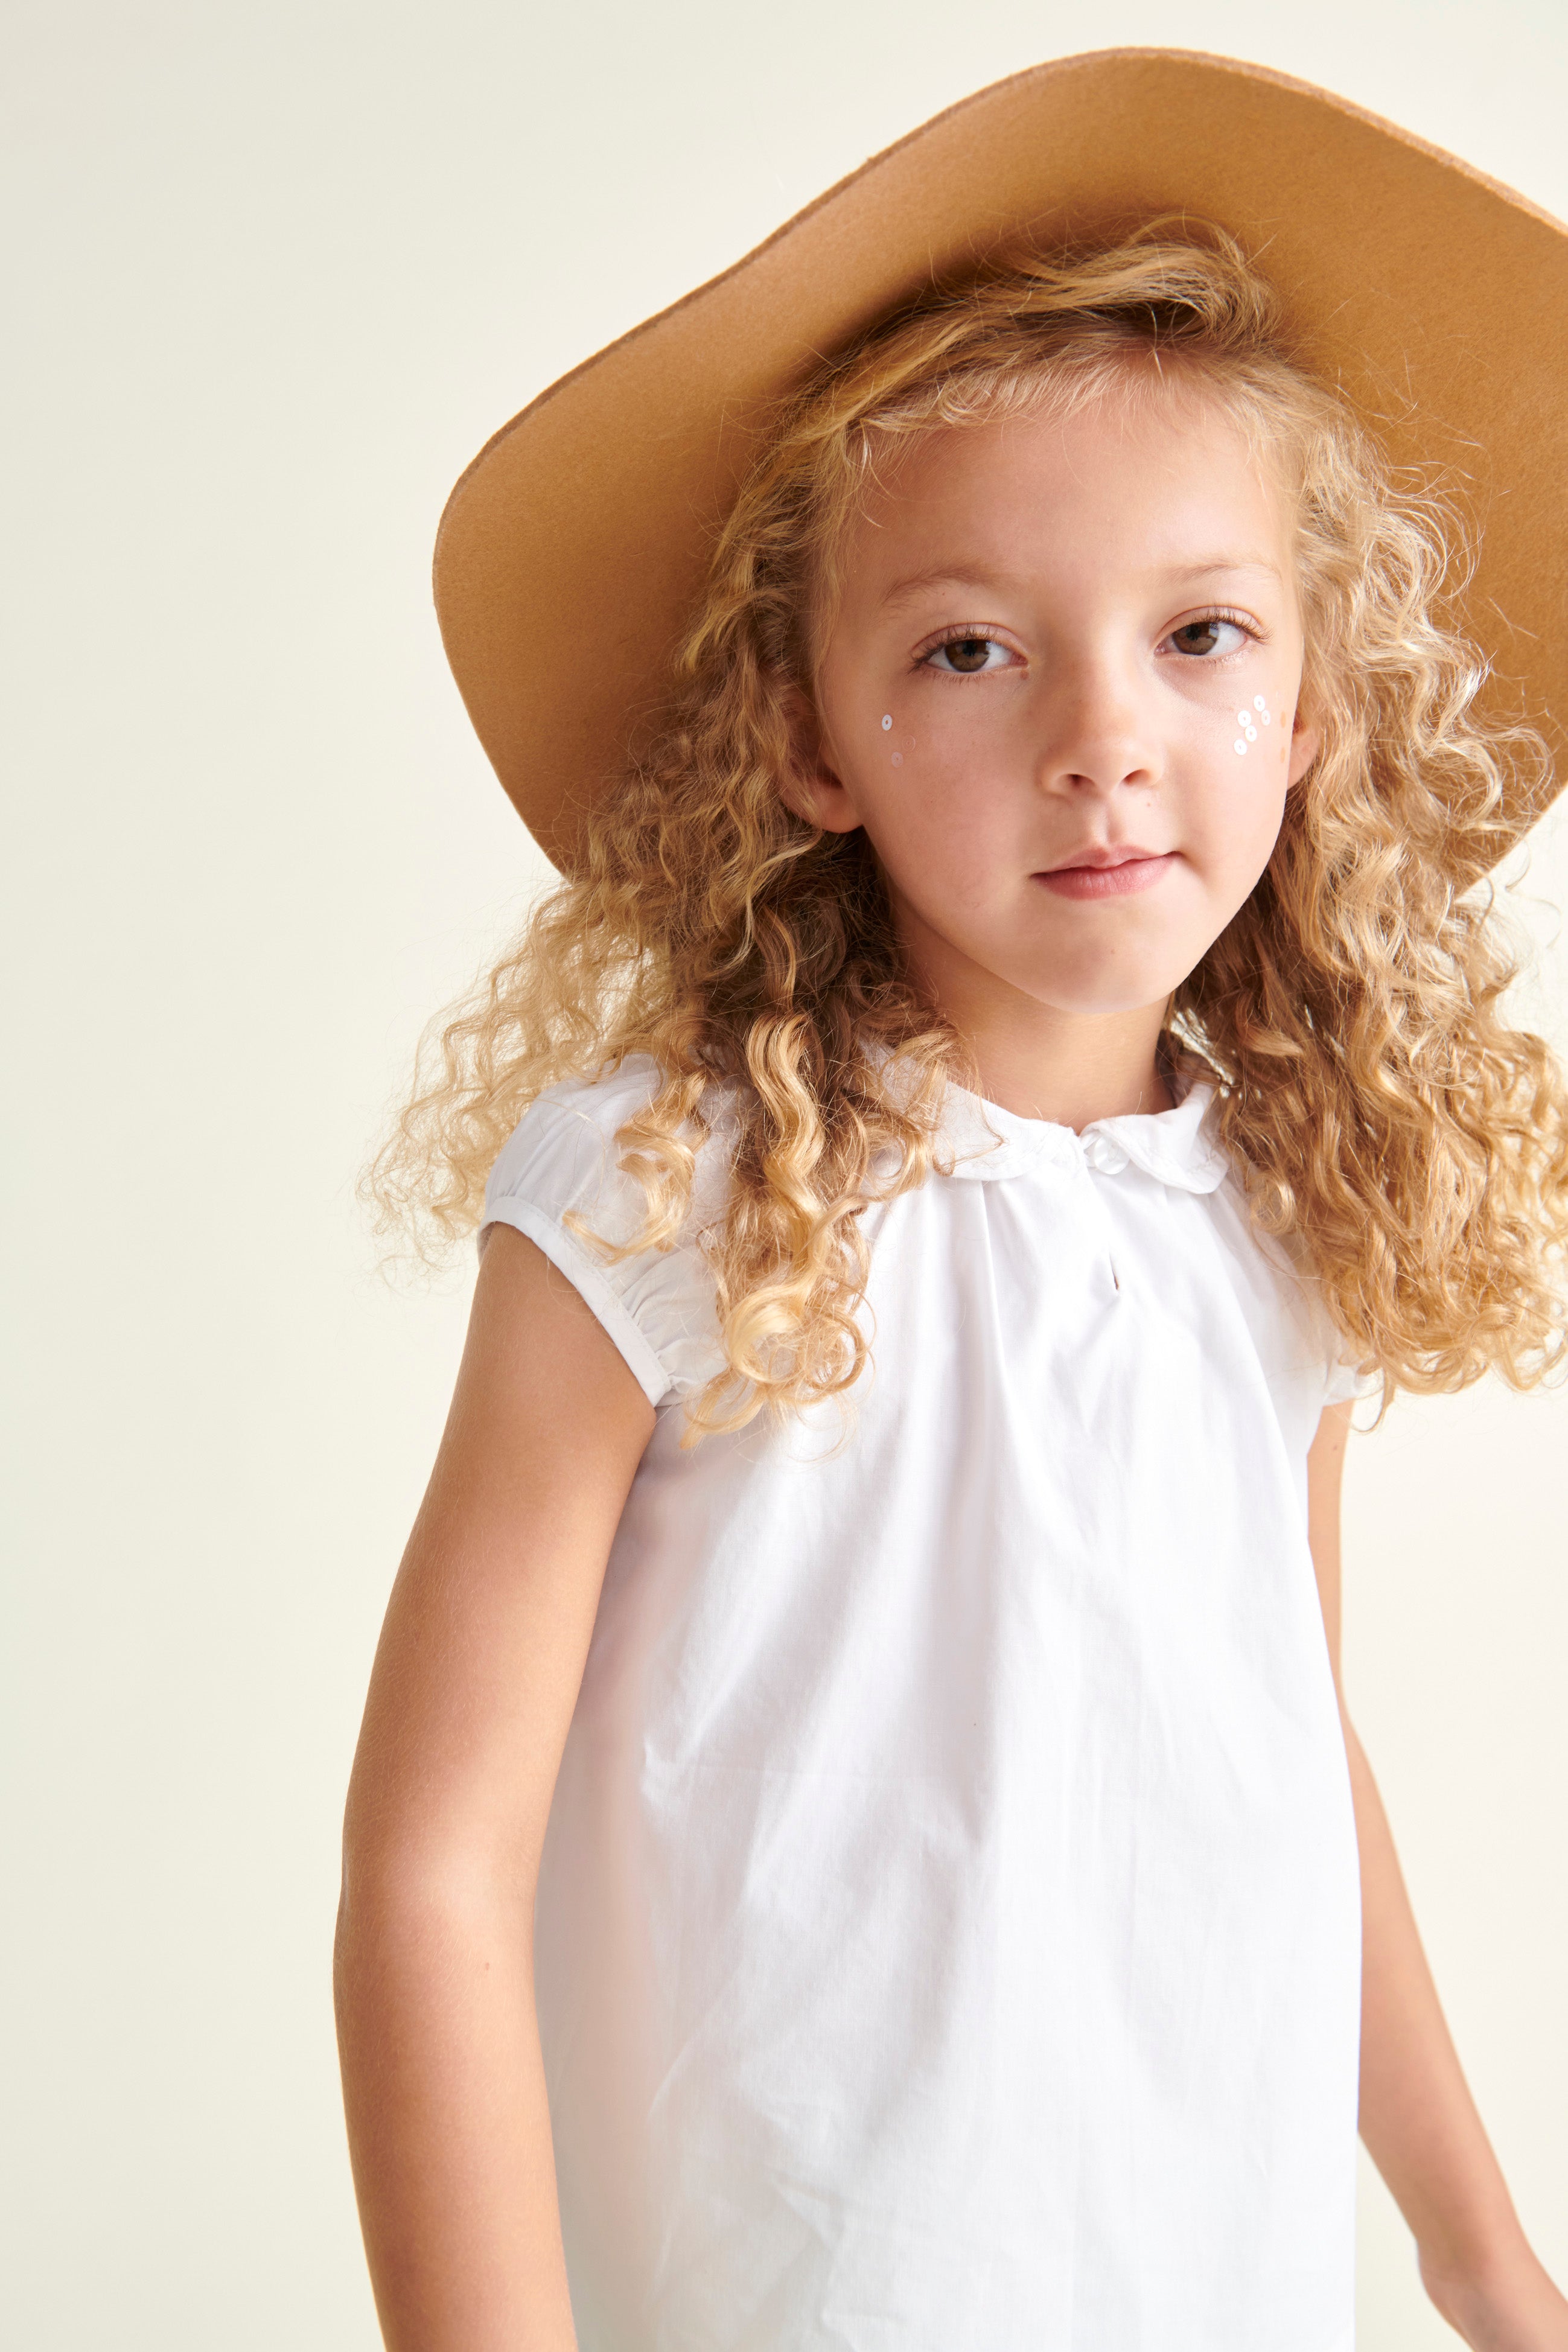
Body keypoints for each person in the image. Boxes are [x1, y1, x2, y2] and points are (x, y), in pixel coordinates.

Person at [334, 51, 1568, 2352]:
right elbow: (429, 1864)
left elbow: (1300, 1755)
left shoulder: (1269, 1209)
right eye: (971, 649)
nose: (1103, 734)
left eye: (1200, 635)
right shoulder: (659, 1182)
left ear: (1308, 707)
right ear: (808, 740)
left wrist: (1489, 2264)